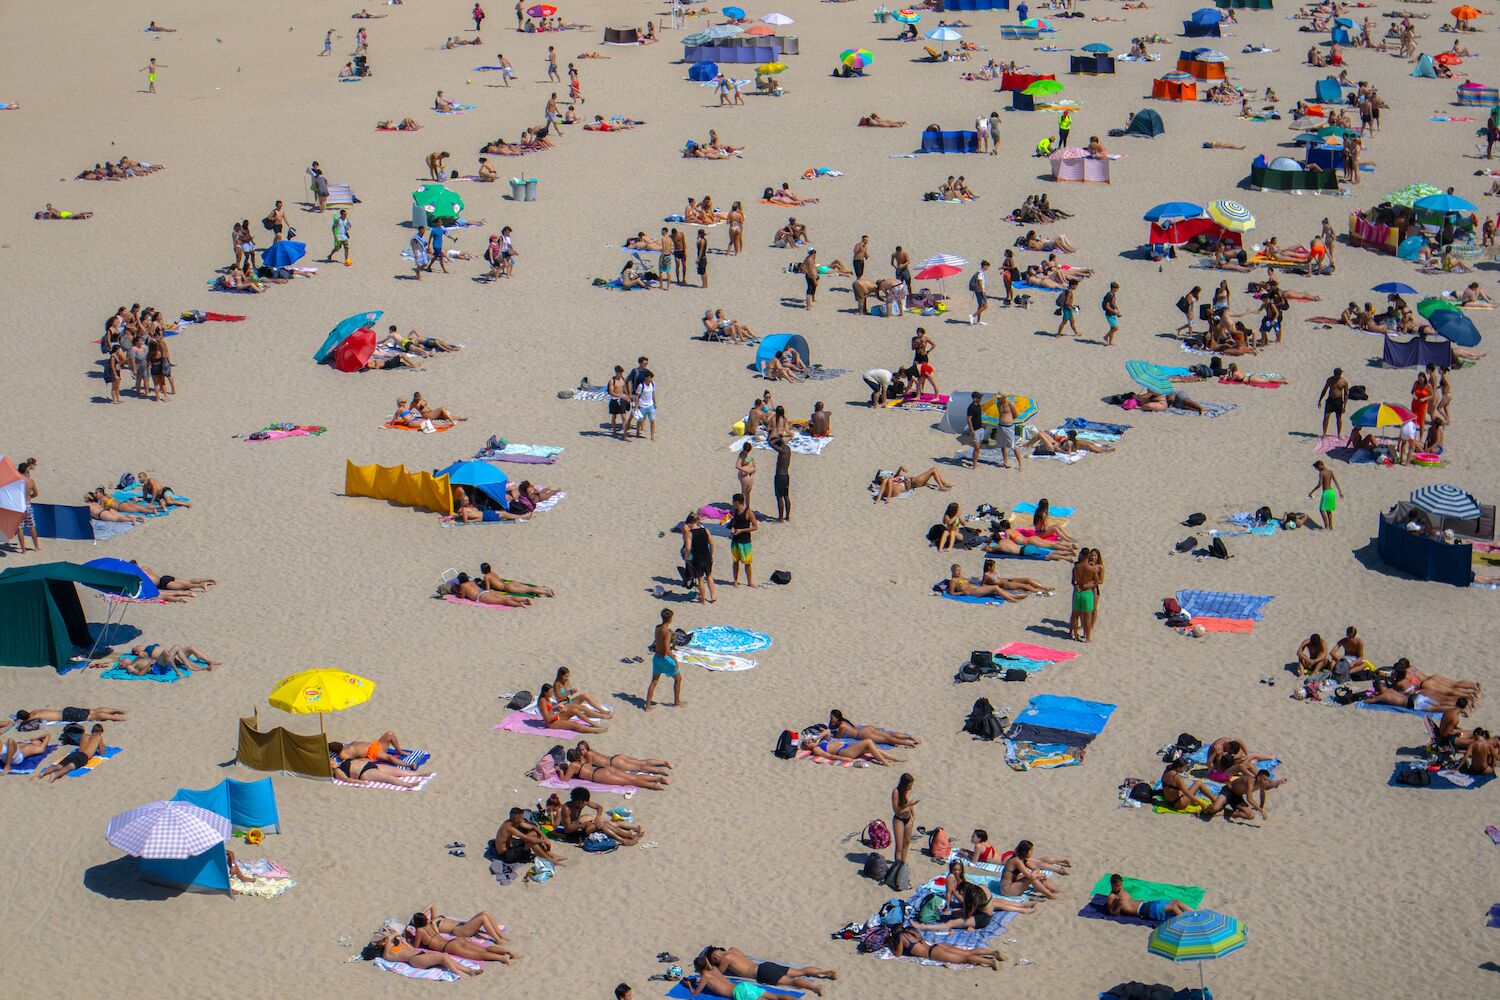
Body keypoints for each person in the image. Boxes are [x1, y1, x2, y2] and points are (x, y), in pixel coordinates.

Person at [702, 947, 837, 996]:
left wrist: (708, 965)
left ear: (715, 957)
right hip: (765, 965)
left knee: (791, 982)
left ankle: (816, 987)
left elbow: (717, 974)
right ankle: (826, 972)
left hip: (762, 972)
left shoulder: (726, 959)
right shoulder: (732, 950)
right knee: (800, 971)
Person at [892, 920, 1005, 970]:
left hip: (933, 953)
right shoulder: (912, 930)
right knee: (967, 952)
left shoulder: (902, 937)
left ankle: (989, 962)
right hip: (936, 946)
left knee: (964, 958)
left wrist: (893, 943)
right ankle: (992, 952)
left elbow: (898, 954)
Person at [561, 786, 643, 845]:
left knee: (604, 824)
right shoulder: (566, 808)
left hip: (581, 826)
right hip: (574, 834)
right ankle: (624, 840)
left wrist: (597, 818)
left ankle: (628, 836)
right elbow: (568, 829)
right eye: (579, 803)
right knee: (602, 825)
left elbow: (599, 807)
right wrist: (583, 825)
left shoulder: (583, 802)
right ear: (574, 800)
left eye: (583, 803)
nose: (581, 805)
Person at [1202, 769, 1286, 821]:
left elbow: (1262, 794)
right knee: (1214, 808)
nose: (1266, 782)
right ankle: (1206, 808)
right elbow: (1249, 798)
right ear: (1259, 777)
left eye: (1267, 780)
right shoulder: (1250, 781)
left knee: (1250, 815)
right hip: (1228, 791)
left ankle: (1224, 812)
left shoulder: (1261, 784)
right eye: (1265, 779)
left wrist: (1261, 806)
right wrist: (1261, 811)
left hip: (1237, 797)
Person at [1105, 875, 1189, 923]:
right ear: (1112, 885)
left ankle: (1197, 915)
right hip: (1142, 911)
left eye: (1121, 885)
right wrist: (1119, 906)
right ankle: (1189, 924)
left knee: (1177, 902)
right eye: (1117, 886)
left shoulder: (1121, 890)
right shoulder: (1111, 897)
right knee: (1173, 908)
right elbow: (1112, 913)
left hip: (1145, 904)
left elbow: (1130, 901)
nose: (1120, 888)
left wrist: (1137, 901)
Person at [493, 806, 561, 865]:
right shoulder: (509, 828)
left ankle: (552, 855)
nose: (522, 820)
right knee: (531, 842)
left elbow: (533, 827)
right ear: (516, 819)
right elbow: (529, 839)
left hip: (511, 846)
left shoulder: (512, 821)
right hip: (506, 855)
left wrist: (545, 837)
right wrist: (543, 841)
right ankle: (548, 860)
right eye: (521, 818)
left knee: (533, 833)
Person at [646, 608, 683, 710]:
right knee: (678, 679)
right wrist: (674, 659)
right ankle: (677, 701)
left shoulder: (657, 628)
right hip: (664, 659)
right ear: (670, 619)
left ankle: (648, 706)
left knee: (654, 681)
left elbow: (660, 640)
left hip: (656, 658)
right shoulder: (667, 632)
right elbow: (667, 649)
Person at [797, 733, 906, 766]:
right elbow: (829, 756)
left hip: (847, 748)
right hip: (845, 752)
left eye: (809, 740)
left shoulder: (820, 742)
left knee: (871, 749)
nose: (810, 741)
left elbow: (828, 731)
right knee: (868, 741)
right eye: (808, 743)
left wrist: (817, 737)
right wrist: (843, 758)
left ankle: (895, 759)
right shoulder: (817, 749)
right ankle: (886, 762)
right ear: (808, 747)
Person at [681, 512, 716, 604]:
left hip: (698, 558)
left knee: (700, 579)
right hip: (707, 556)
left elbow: (688, 548)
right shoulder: (706, 530)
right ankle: (713, 596)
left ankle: (703, 599)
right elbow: (712, 545)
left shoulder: (690, 534)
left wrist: (687, 558)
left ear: (689, 523)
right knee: (709, 576)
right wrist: (711, 555)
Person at [726, 493, 757, 586]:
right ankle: (735, 580)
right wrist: (731, 529)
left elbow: (755, 527)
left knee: (747, 562)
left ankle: (750, 581)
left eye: (733, 501)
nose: (732, 503)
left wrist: (741, 530)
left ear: (738, 502)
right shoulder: (734, 512)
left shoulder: (748, 512)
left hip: (745, 541)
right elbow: (729, 523)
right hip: (735, 540)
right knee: (735, 561)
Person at [1308, 460, 1342, 530]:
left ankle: (1326, 526)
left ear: (1320, 466)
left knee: (1322, 510)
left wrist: (1312, 491)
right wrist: (1340, 492)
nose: (1317, 470)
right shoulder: (1330, 471)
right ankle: (1331, 526)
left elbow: (1319, 484)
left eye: (1317, 468)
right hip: (1332, 492)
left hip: (1326, 493)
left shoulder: (1321, 473)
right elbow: (1336, 482)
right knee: (1328, 510)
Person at [891, 773, 917, 865]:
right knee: (899, 846)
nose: (910, 787)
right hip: (899, 819)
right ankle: (897, 866)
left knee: (906, 843)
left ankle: (903, 863)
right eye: (909, 785)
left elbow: (911, 806)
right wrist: (909, 804)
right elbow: (896, 810)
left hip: (908, 818)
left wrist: (913, 816)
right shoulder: (896, 792)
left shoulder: (909, 791)